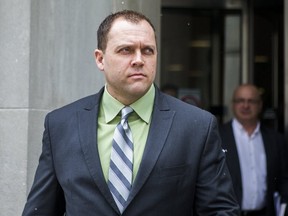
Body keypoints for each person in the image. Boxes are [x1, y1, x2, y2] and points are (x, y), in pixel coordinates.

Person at [22, 10, 240, 215]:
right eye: (126, 50)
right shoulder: (60, 125)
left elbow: (221, 211)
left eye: (148, 50)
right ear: (100, 59)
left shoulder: (196, 126)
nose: (139, 59)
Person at [219, 84, 288, 216]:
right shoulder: (218, 137)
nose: (245, 106)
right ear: (233, 104)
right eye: (240, 100)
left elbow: (283, 179)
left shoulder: (275, 139)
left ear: (260, 105)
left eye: (251, 101)